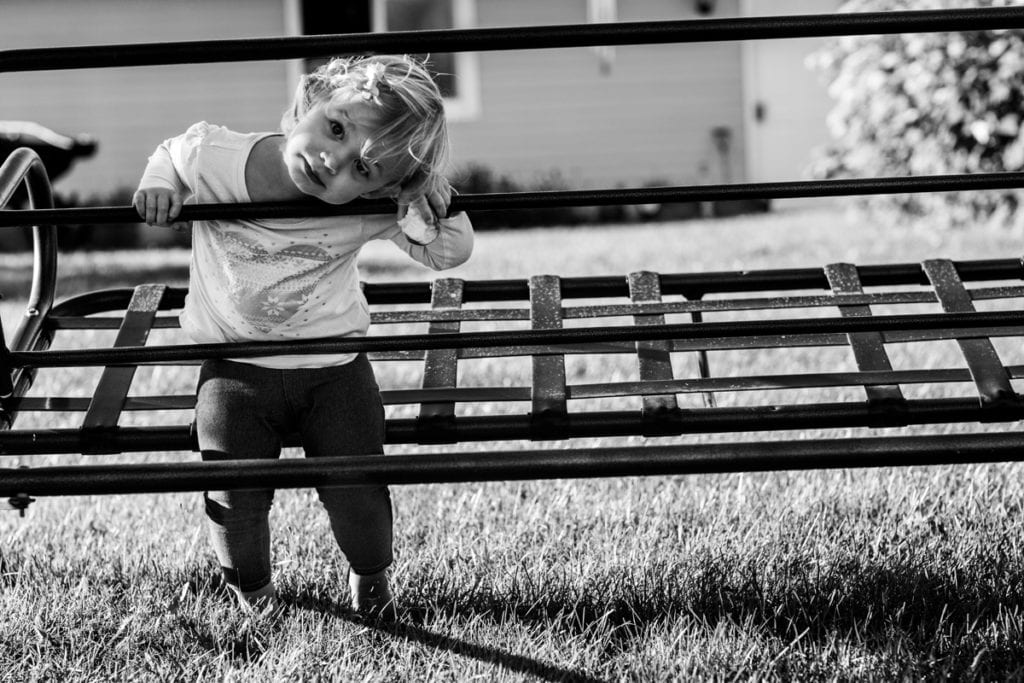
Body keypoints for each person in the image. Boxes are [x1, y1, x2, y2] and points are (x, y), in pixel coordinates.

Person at [133, 55, 473, 619]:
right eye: (336, 127)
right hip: (234, 370)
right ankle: (254, 593)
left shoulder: (370, 206)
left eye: (362, 169)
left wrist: (428, 196)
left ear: (380, 185)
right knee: (233, 499)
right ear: (312, 99)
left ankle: (371, 575)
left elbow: (449, 251)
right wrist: (159, 184)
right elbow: (172, 152)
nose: (331, 160)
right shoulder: (216, 158)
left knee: (358, 490)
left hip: (335, 370)